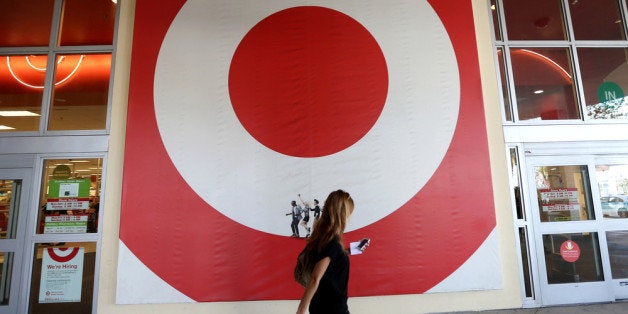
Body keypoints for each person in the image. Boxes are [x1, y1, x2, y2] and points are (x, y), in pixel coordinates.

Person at [296, 189, 356, 314]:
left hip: (320, 307)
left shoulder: (322, 237)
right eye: (349, 213)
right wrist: (300, 311)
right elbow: (315, 278)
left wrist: (348, 251)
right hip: (333, 309)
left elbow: (329, 264)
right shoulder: (332, 242)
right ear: (342, 214)